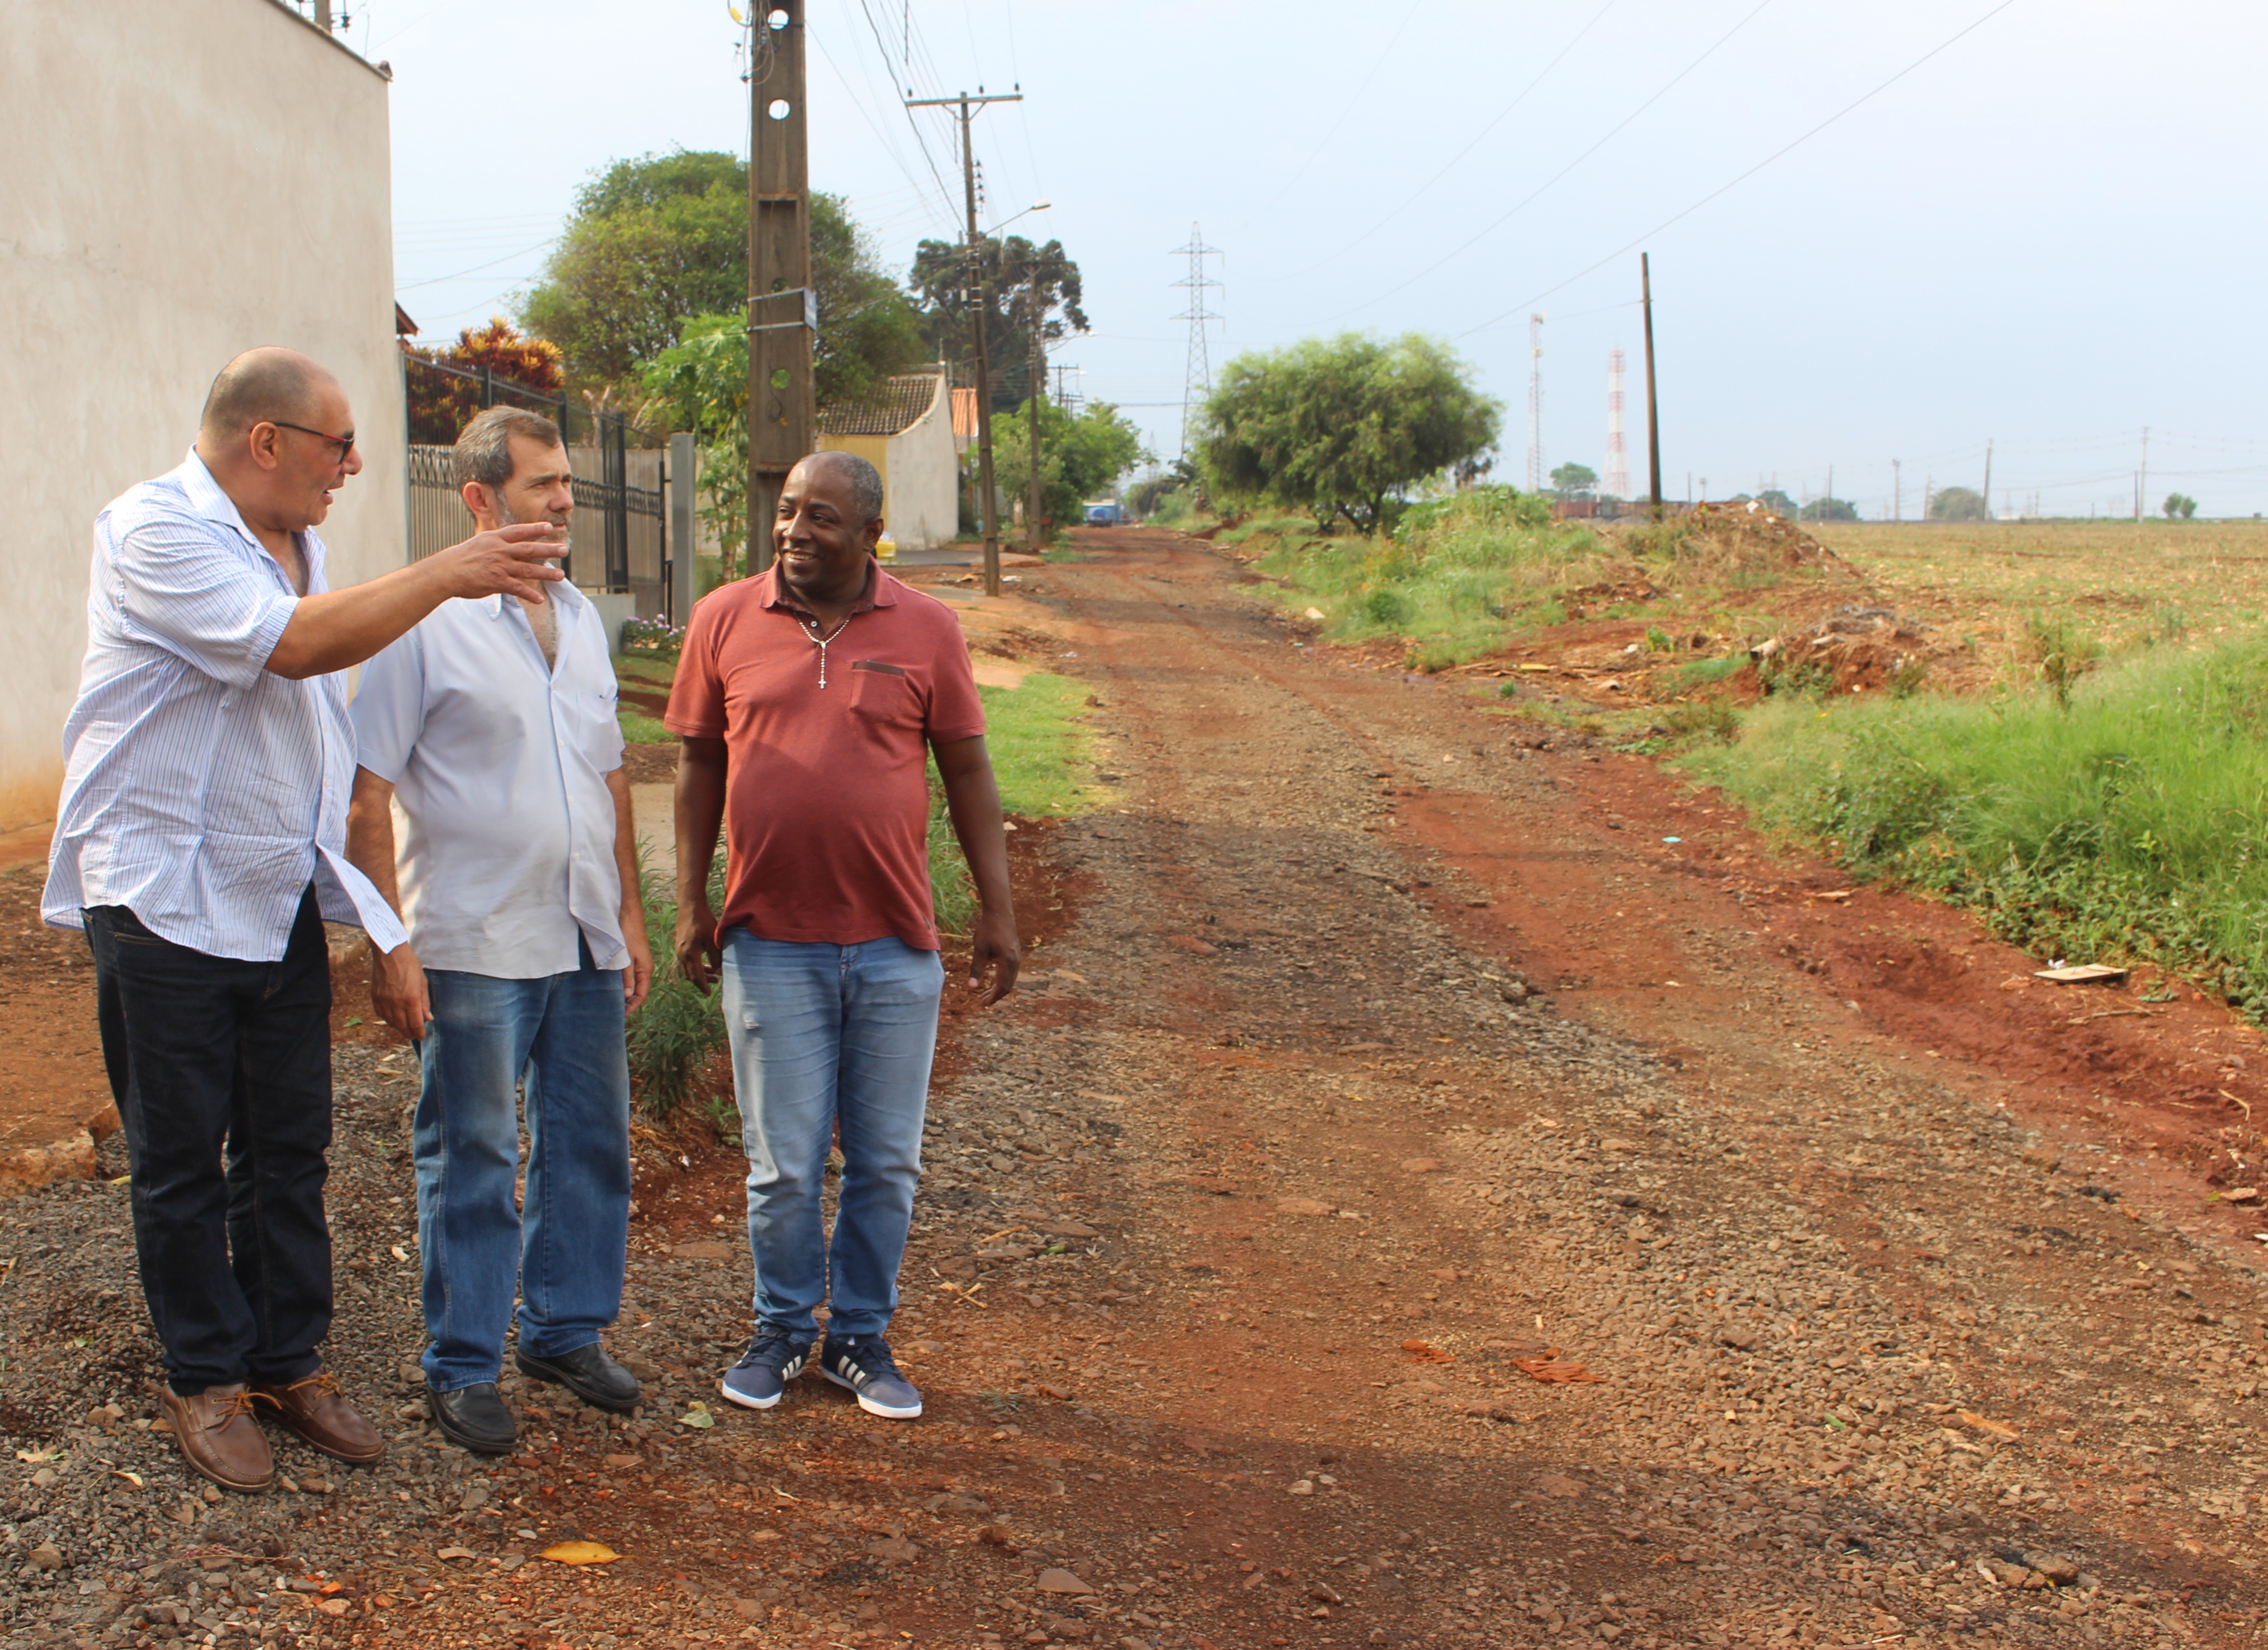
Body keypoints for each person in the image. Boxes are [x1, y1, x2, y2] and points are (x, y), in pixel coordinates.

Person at [43, 348, 566, 1494]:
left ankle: (287, 1360)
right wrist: (452, 571)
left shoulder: (299, 544)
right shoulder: (152, 529)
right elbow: (292, 646)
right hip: (164, 896)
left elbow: (313, 736)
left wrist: (374, 921)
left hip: (270, 891)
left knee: (290, 1147)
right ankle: (207, 1377)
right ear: (265, 441)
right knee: (180, 1158)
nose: (356, 464)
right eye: (338, 444)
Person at [667, 450, 1019, 1421]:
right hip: (769, 940)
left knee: (886, 1160)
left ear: (870, 533)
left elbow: (970, 776)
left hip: (896, 945)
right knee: (781, 1162)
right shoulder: (723, 619)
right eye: (786, 512)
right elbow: (697, 764)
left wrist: (998, 907)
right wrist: (692, 899)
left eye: (820, 517)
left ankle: (858, 1335)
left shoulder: (928, 628)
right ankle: (782, 1325)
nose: (794, 532)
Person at [345, 407, 653, 1455]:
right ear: (479, 500)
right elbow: (366, 792)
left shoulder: (585, 618)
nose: (564, 500)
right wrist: (390, 943)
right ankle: (464, 1359)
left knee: (588, 1140)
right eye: (540, 486)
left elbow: (608, 771)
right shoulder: (421, 623)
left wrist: (631, 911)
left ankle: (563, 1329)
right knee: (473, 1147)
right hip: (472, 938)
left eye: (567, 482)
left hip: (580, 934)